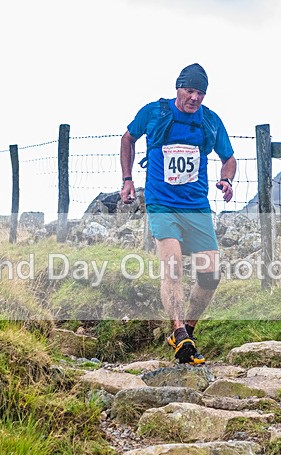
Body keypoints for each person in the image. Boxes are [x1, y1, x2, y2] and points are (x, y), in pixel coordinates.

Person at [120, 63, 236, 365]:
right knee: (172, 267)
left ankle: (186, 333)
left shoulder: (210, 121)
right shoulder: (154, 112)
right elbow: (127, 139)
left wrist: (227, 179)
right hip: (162, 203)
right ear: (178, 88)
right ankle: (178, 329)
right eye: (190, 90)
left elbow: (229, 158)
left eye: (200, 92)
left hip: (196, 206)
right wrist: (127, 179)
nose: (194, 97)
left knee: (210, 276)